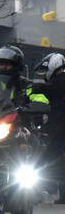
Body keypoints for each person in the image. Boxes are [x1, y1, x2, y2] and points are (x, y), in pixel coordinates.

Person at [33, 52, 65, 202]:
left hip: (60, 129)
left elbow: (49, 90)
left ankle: (42, 189)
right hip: (59, 128)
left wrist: (35, 86)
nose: (45, 74)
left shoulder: (59, 82)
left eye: (46, 70)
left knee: (47, 157)